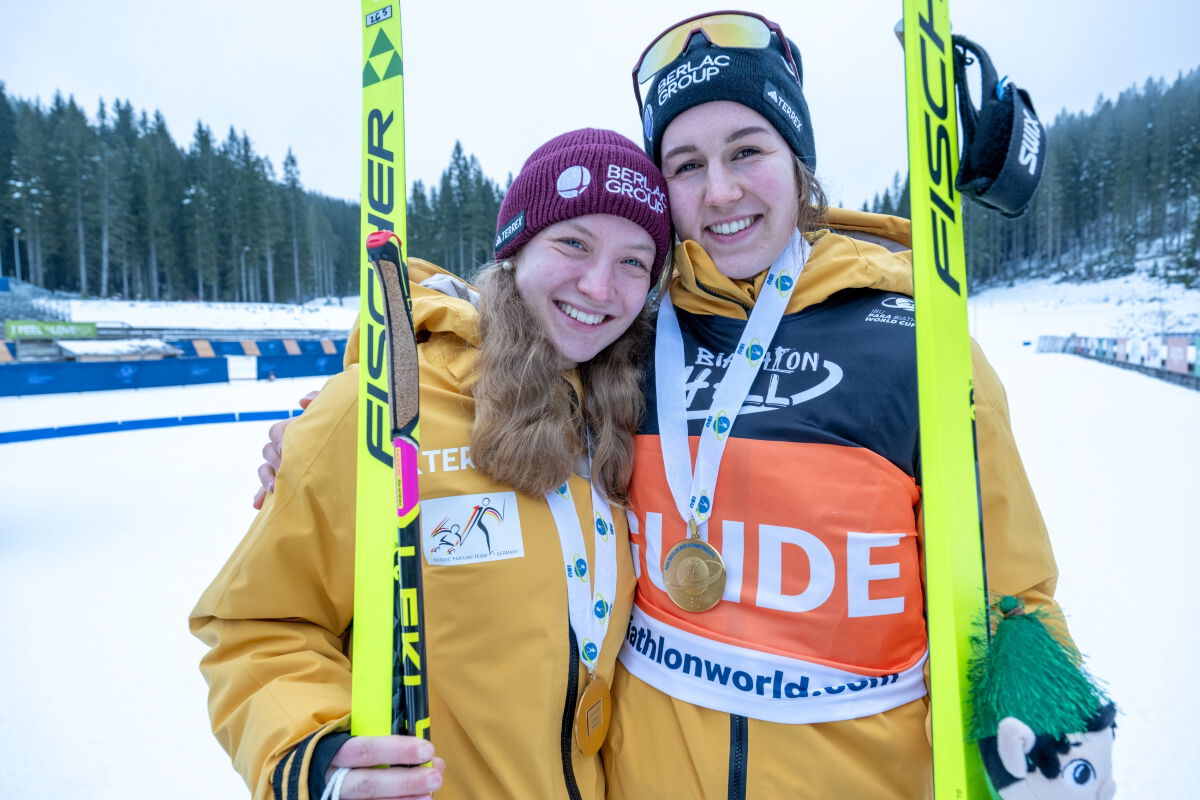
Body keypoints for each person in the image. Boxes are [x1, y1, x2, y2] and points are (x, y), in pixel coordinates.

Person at [254, 12, 1070, 799]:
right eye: (684, 165)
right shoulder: (631, 340)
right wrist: (341, 424)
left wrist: (1055, 740)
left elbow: (1008, 593)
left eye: (746, 151)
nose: (720, 191)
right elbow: (481, 352)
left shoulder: (917, 339)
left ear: (798, 162)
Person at [190, 128, 672, 800]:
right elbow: (259, 624)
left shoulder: (630, 417)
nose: (599, 285)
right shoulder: (382, 412)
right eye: (574, 243)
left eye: (634, 262)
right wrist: (313, 755)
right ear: (516, 250)